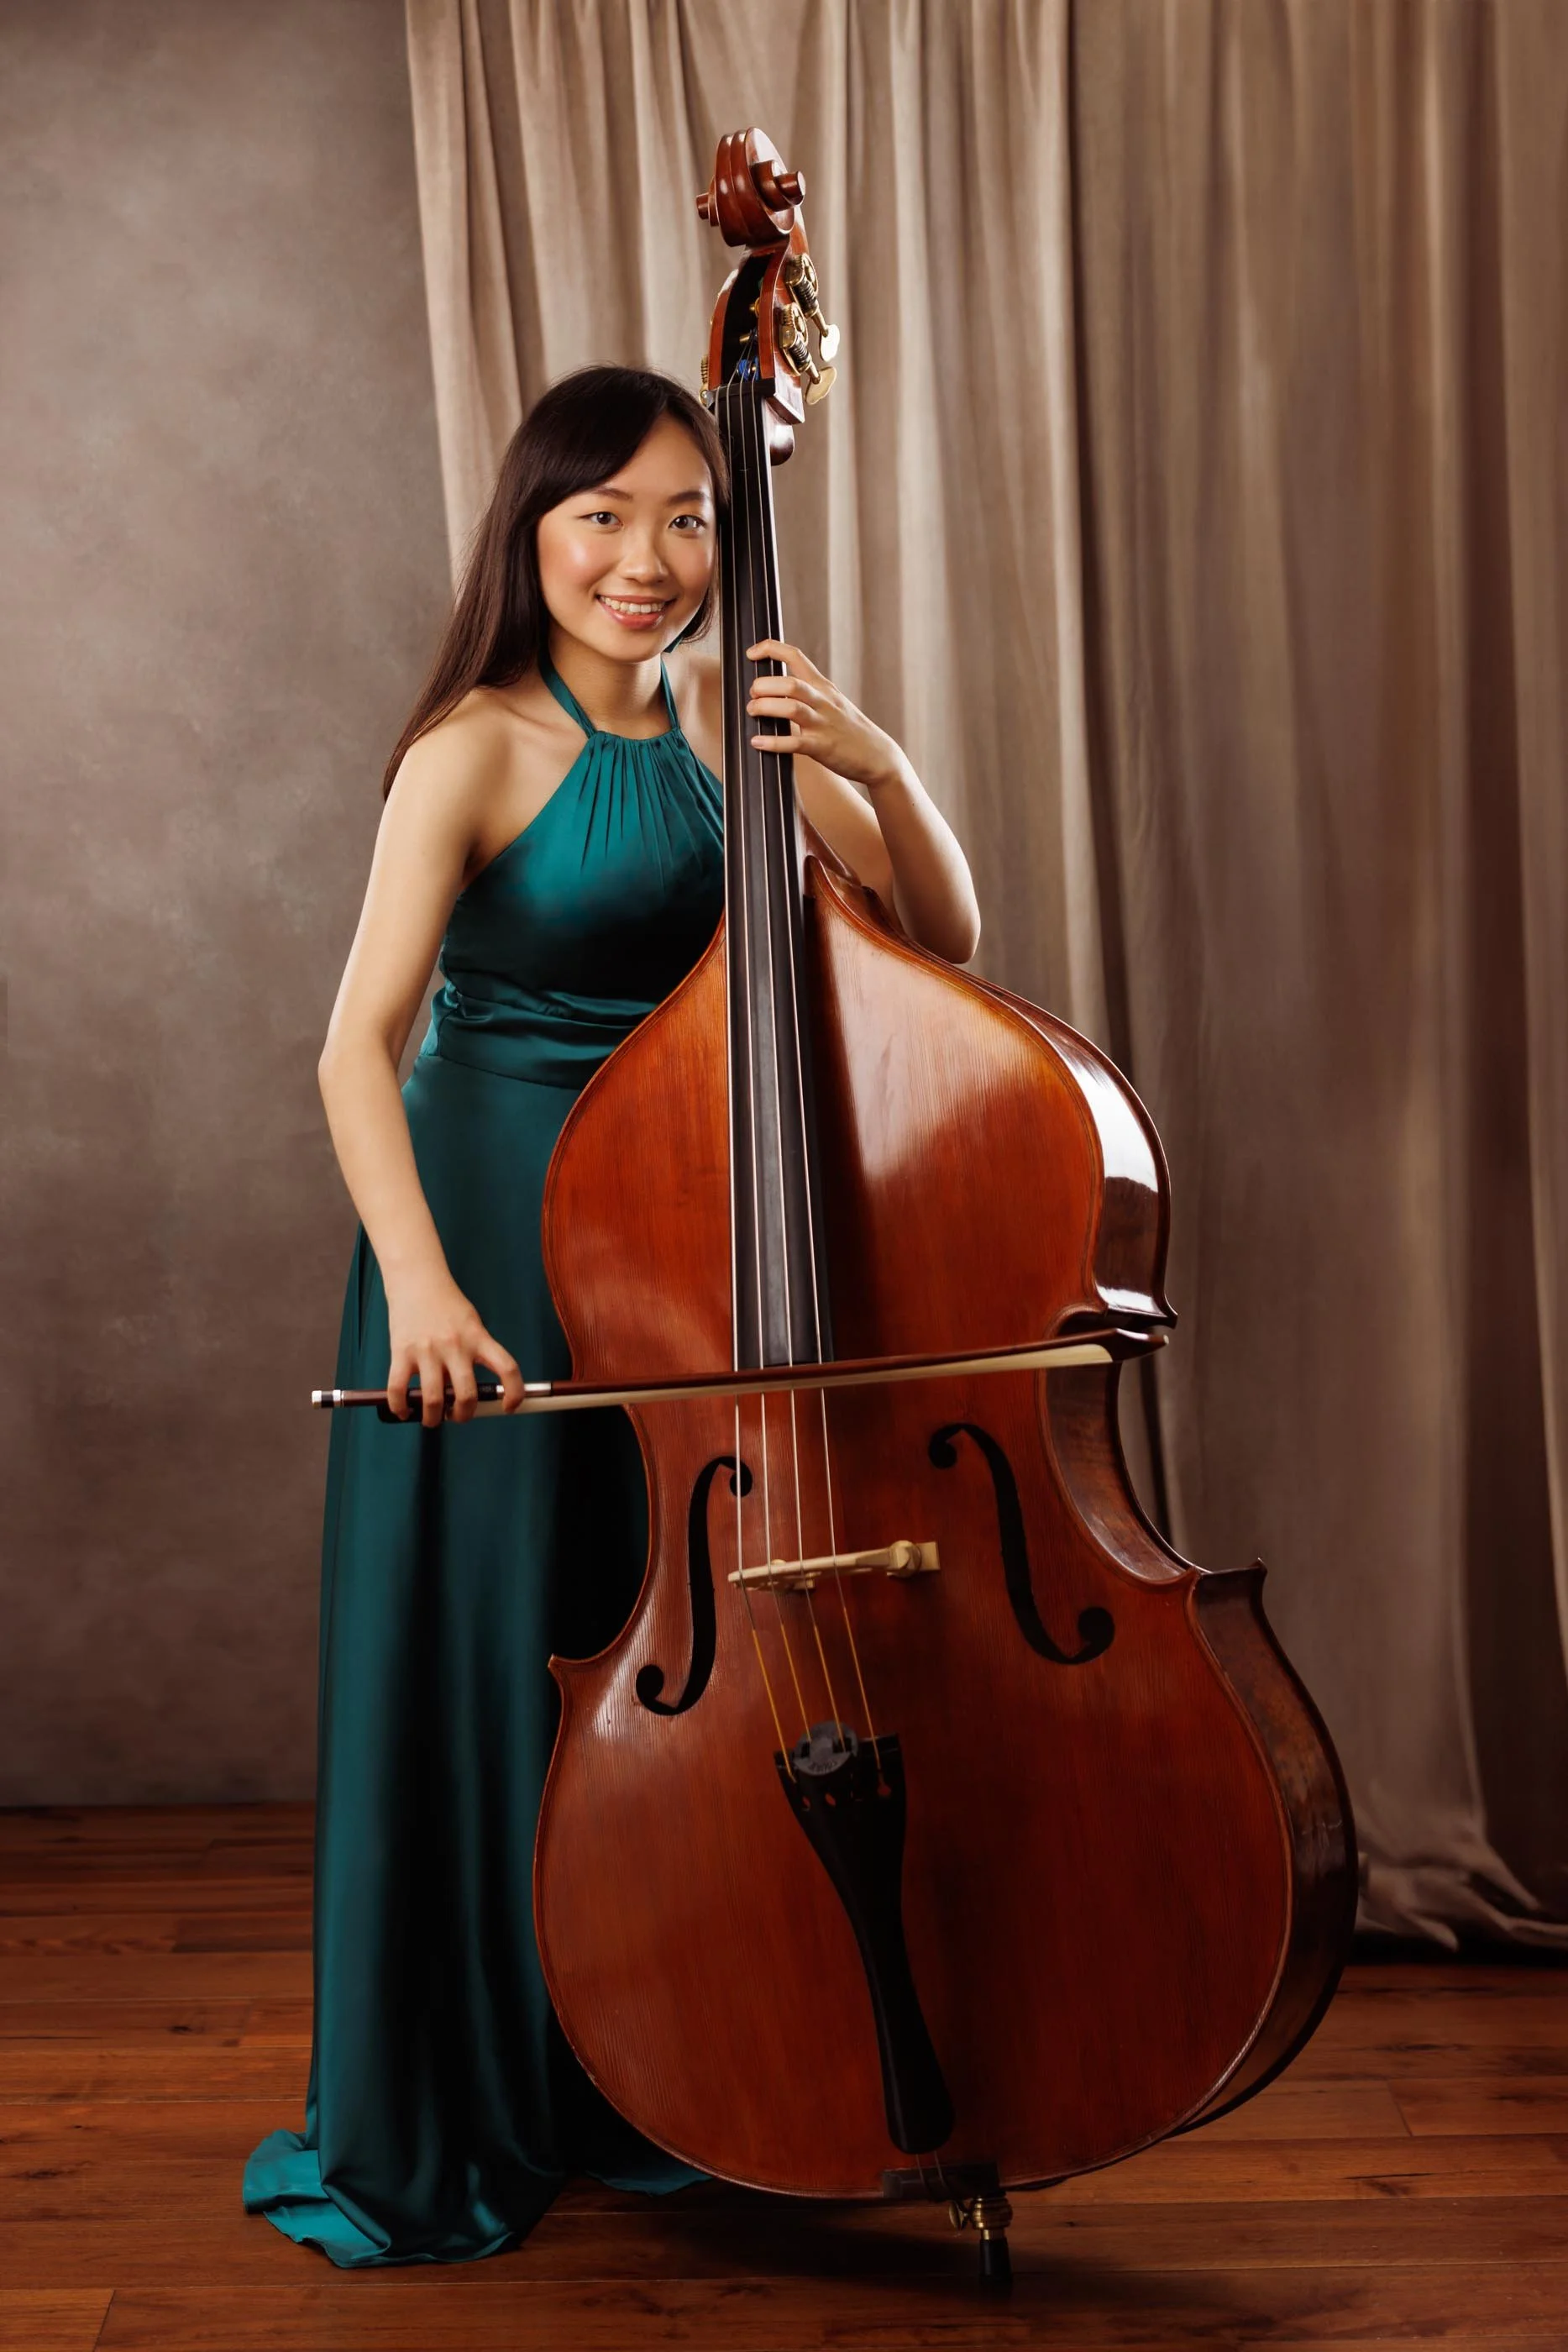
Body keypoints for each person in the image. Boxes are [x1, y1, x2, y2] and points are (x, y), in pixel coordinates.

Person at [244, 364, 981, 2266]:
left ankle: (646, 2052)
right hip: (484, 1240)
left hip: (678, 1250)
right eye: (603, 517)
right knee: (497, 1662)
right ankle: (465, 2086)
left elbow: (945, 941)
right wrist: (415, 1279)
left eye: (687, 521)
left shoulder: (741, 735)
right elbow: (352, 1045)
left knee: (636, 1659)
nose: (645, 561)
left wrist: (870, 759)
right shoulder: (474, 744)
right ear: (532, 530)